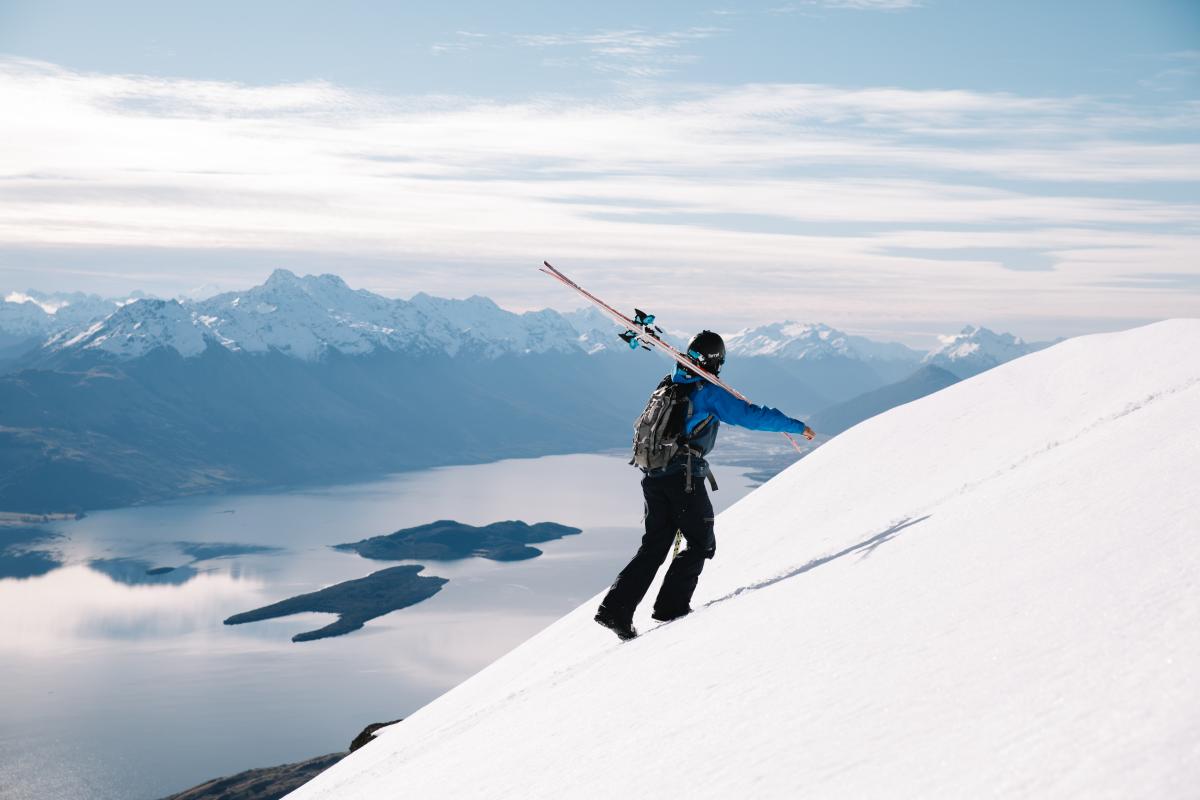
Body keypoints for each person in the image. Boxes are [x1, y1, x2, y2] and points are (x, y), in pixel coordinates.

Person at [594, 330, 815, 640]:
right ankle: (671, 607)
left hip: (653, 476)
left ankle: (615, 609)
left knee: (655, 546)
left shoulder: (669, 381)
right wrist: (795, 425)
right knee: (701, 542)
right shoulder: (707, 392)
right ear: (716, 362)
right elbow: (751, 417)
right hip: (683, 477)